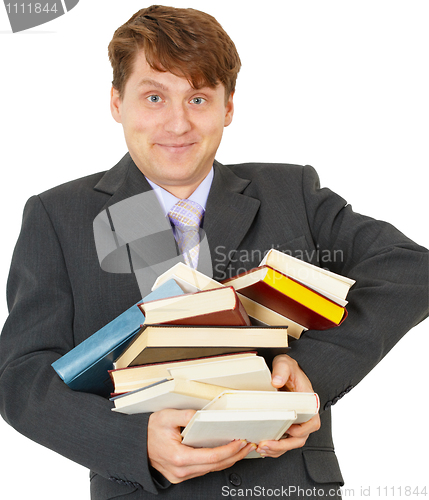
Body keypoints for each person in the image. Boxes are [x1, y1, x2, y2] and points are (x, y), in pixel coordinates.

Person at [0, 5, 427, 499]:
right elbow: (22, 377)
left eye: (198, 98)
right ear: (117, 102)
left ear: (228, 107)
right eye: (154, 96)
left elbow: (412, 270)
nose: (177, 124)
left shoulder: (293, 193)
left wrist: (311, 371)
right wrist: (134, 443)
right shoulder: (59, 216)